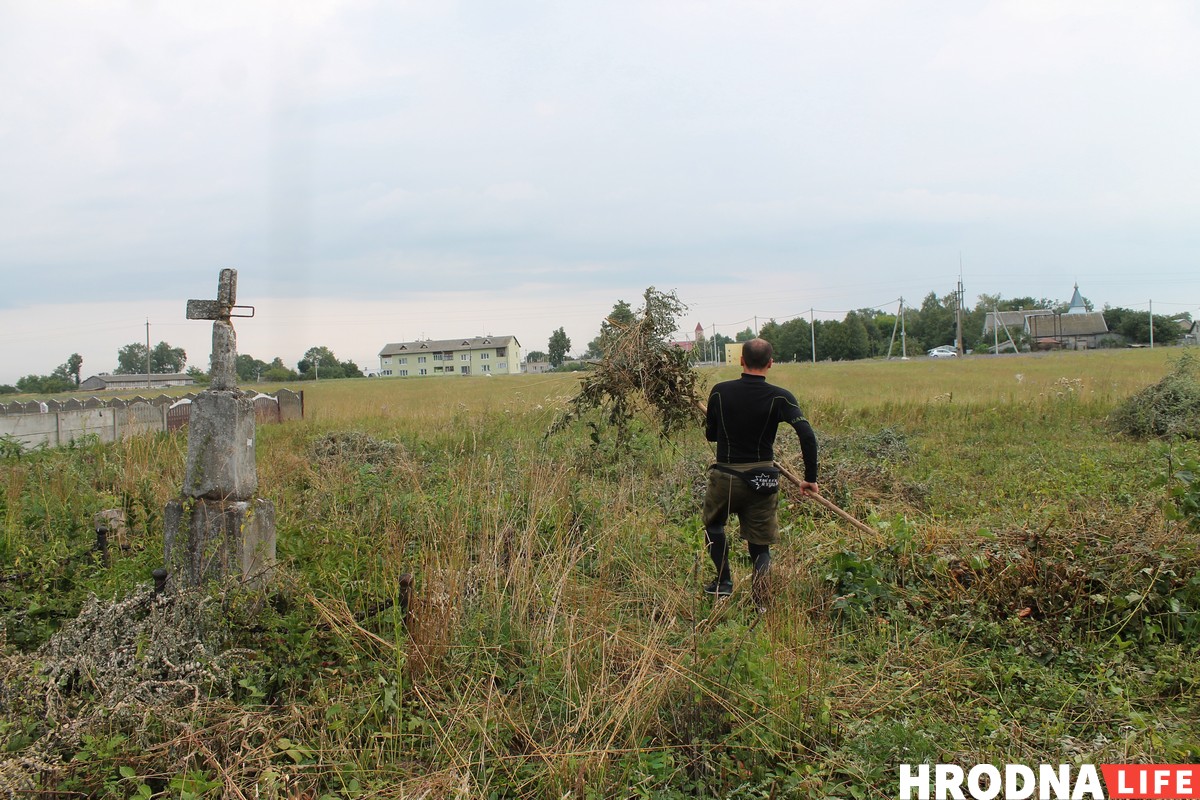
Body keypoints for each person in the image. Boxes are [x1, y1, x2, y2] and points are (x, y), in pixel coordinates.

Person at [701, 337, 819, 607]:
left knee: (714, 525)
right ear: (770, 363)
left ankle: (723, 583)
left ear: (741, 361)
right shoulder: (781, 396)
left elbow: (711, 435)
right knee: (760, 545)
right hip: (763, 479)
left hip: (726, 477)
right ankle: (761, 601)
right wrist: (810, 478)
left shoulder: (720, 391)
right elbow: (808, 436)